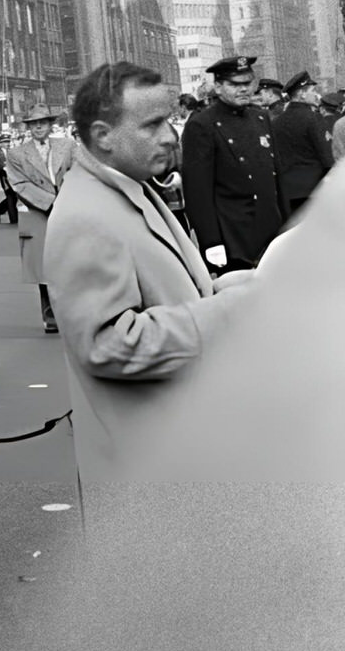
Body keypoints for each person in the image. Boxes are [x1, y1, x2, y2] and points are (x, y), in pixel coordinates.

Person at [44, 62, 256, 485]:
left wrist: (218, 290)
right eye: (152, 124)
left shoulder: (127, 184)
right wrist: (227, 312)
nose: (169, 136)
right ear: (103, 135)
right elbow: (107, 344)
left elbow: (156, 291)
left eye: (170, 119)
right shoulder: (86, 214)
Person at [180, 55, 287, 272]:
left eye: (247, 83)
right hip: (234, 235)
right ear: (218, 87)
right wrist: (210, 241)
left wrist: (287, 222)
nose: (243, 89)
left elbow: (276, 175)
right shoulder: (202, 125)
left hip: (270, 228)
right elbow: (198, 191)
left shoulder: (260, 118)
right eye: (234, 84)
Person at [4, 108, 77, 333]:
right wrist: (51, 202)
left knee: (72, 264)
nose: (38, 127)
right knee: (43, 269)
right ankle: (50, 315)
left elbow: (79, 172)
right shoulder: (16, 154)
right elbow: (19, 184)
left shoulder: (68, 146)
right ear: (28, 127)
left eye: (42, 123)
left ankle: (74, 312)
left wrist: (68, 199)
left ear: (50, 124)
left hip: (68, 211)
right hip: (38, 214)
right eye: (33, 123)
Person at [271, 71, 332, 212]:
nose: (316, 94)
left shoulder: (277, 122)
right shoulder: (314, 119)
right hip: (313, 190)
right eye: (313, 90)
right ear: (302, 94)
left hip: (287, 191)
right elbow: (326, 157)